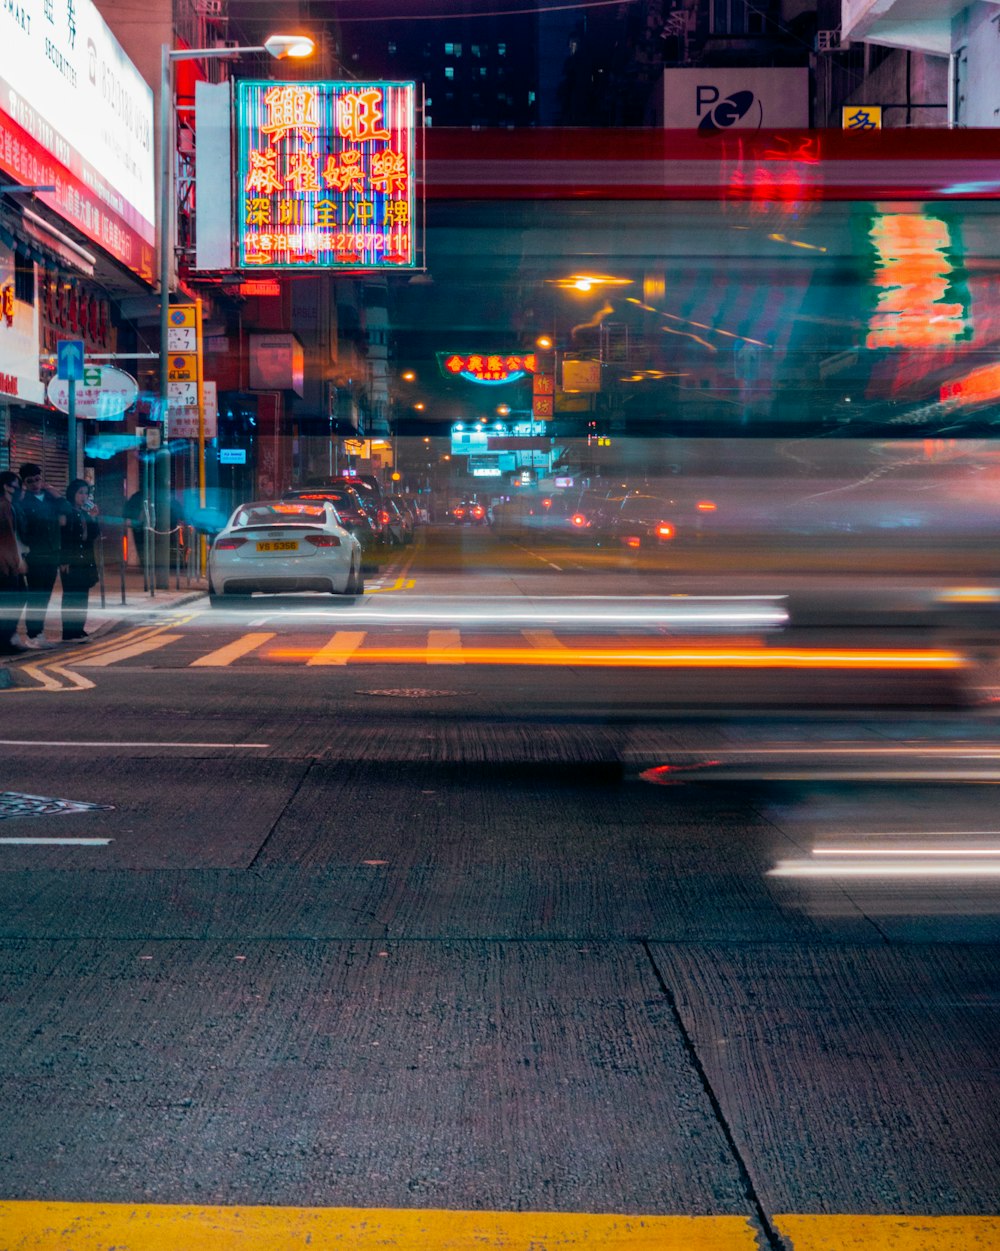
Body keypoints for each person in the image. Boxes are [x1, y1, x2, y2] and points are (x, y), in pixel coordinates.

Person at [16, 462, 67, 649]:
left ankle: (39, 633)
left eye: (38, 479)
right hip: (35, 555)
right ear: (24, 483)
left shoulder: (51, 499)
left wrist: (56, 494)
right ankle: (33, 634)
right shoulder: (23, 502)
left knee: (45, 595)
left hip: (52, 554)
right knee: (36, 596)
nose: (35, 484)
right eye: (30, 481)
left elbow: (67, 512)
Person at [59, 479, 100, 643]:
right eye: (80, 493)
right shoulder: (67, 512)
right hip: (71, 560)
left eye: (86, 493)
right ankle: (69, 631)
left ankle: (78, 628)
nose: (84, 497)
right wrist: (63, 559)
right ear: (72, 494)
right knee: (71, 595)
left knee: (83, 595)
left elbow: (93, 535)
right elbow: (63, 537)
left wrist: (94, 518)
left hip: (85, 559)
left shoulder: (84, 513)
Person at [0, 470, 28, 657]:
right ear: (6, 486)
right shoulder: (4, 506)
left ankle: (7, 638)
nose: (19, 489)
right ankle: (5, 641)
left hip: (7, 562)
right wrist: (16, 561)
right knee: (14, 600)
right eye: (17, 485)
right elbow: (7, 537)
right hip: (5, 565)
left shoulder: (8, 505)